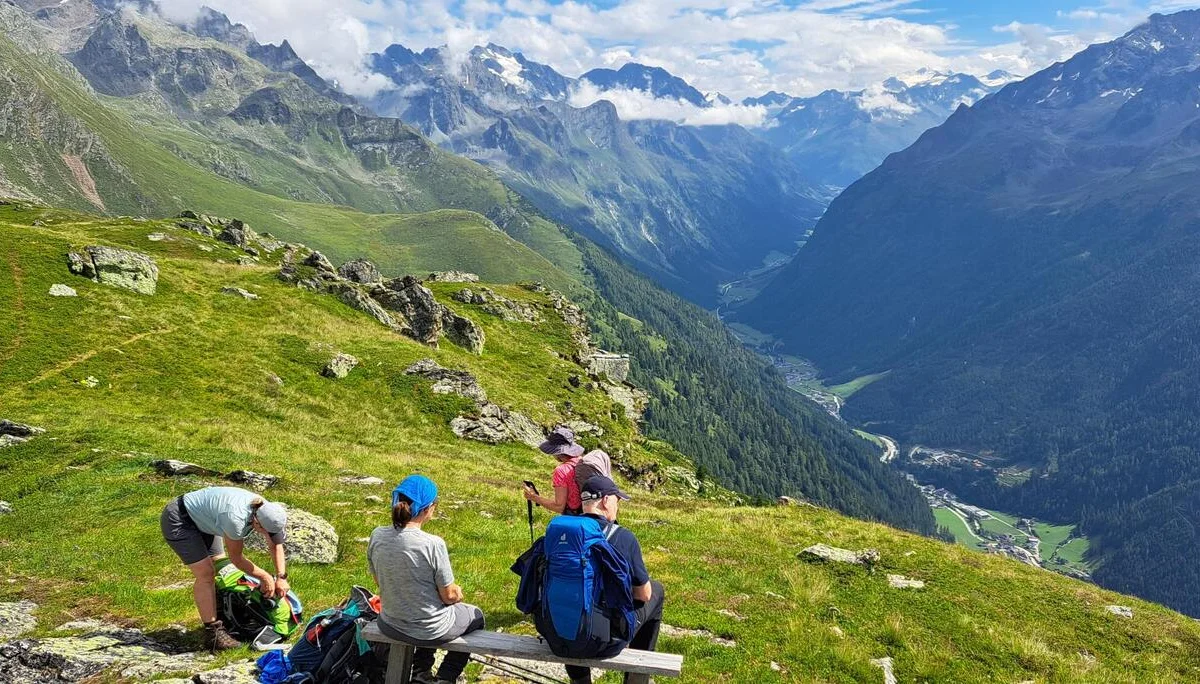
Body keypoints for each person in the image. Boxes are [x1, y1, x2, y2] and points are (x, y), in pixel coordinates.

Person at [368, 475, 485, 684]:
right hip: (428, 630)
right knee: (476, 616)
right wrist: (456, 592)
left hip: (390, 622)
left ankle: (421, 671)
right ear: (428, 508)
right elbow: (448, 596)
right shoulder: (433, 544)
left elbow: (380, 583)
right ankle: (445, 677)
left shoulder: (377, 535)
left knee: (425, 609)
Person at [159, 486, 290, 652]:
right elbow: (237, 559)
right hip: (179, 519)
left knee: (220, 565)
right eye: (265, 532)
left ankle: (224, 616)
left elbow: (275, 545)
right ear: (256, 523)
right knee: (206, 573)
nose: (268, 535)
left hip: (206, 519)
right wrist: (265, 577)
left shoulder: (269, 511)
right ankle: (213, 634)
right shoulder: (236, 519)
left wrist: (281, 577)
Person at [566, 476, 665, 684]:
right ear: (605, 501)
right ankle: (636, 679)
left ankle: (580, 680)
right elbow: (643, 594)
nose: (617, 507)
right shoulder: (622, 536)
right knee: (656, 591)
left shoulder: (562, 532)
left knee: (573, 606)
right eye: (617, 501)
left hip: (562, 635)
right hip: (605, 640)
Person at [523, 426, 585, 515]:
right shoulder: (583, 462)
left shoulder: (561, 470)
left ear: (557, 452)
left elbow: (559, 507)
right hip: (596, 516)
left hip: (575, 518)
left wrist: (533, 497)